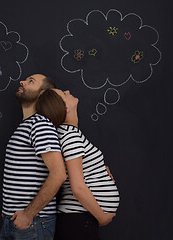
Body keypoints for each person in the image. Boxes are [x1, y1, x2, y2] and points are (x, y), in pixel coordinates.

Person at [36, 89, 120, 240]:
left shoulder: (66, 133)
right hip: (80, 222)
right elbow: (78, 187)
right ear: (65, 108)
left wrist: (100, 169)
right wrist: (102, 217)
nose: (68, 91)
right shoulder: (70, 136)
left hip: (79, 220)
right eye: (64, 94)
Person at [0, 74, 67, 240]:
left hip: (33, 223)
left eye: (30, 81)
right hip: (16, 221)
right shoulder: (28, 125)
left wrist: (28, 215)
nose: (21, 82)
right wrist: (8, 209)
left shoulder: (40, 124)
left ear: (42, 93)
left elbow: (58, 175)